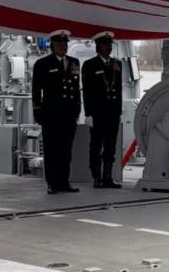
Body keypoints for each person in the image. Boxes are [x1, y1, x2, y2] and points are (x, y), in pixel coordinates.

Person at [32, 29, 82, 194]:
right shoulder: (43, 64)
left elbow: (75, 89)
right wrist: (37, 110)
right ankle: (52, 183)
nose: (63, 46)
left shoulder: (74, 62)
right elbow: (36, 89)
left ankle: (64, 181)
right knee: (52, 150)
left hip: (69, 114)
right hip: (51, 114)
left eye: (65, 43)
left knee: (66, 150)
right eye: (59, 43)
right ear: (53, 45)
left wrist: (77, 108)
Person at [81, 31, 123, 189]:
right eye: (105, 45)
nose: (108, 48)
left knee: (110, 147)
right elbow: (87, 91)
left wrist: (118, 112)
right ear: (98, 47)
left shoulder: (116, 64)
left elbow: (118, 90)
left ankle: (108, 177)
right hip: (98, 113)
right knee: (96, 145)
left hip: (112, 113)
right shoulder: (90, 65)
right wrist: (88, 114)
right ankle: (96, 177)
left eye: (110, 45)